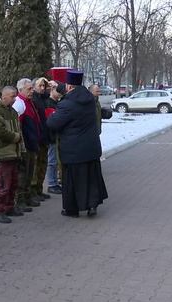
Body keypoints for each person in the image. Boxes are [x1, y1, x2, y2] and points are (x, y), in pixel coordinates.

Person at [47, 70, 108, 218]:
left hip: (73, 150)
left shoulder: (67, 104)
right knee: (91, 179)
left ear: (69, 86)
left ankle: (71, 209)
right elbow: (71, 90)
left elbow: (53, 123)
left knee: (72, 182)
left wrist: (52, 114)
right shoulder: (89, 98)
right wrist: (59, 85)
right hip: (91, 148)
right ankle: (92, 205)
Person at [0, 86, 24, 223]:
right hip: (3, 152)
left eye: (15, 96)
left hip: (13, 152)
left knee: (13, 182)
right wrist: (15, 138)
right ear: (4, 96)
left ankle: (9, 207)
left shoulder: (12, 111)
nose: (15, 99)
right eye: (12, 96)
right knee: (3, 184)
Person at [12, 78, 41, 211]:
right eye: (29, 89)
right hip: (25, 145)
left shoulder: (29, 102)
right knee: (23, 173)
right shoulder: (19, 103)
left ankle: (27, 196)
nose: (32, 91)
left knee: (30, 172)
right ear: (20, 90)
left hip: (32, 143)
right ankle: (20, 199)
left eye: (31, 88)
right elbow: (17, 126)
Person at [31, 77, 52, 202]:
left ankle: (39, 189)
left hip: (45, 135)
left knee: (43, 164)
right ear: (34, 87)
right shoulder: (34, 100)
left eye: (44, 86)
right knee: (36, 165)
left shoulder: (44, 99)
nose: (43, 88)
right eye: (40, 86)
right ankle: (33, 191)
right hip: (38, 136)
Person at [44, 83, 66, 195]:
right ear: (52, 90)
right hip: (51, 137)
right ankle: (52, 183)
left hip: (56, 136)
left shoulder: (56, 103)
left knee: (55, 161)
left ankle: (55, 183)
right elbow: (51, 121)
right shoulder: (49, 103)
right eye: (58, 92)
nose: (60, 94)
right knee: (51, 161)